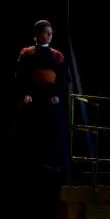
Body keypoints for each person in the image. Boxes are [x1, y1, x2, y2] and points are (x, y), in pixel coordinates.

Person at [14, 20, 69, 176]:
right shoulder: (26, 53)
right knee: (30, 130)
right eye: (46, 32)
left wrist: (57, 96)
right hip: (33, 97)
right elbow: (21, 76)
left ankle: (51, 164)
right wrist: (25, 94)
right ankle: (28, 164)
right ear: (37, 34)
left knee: (52, 130)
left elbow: (63, 79)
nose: (50, 35)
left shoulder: (57, 56)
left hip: (50, 98)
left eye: (51, 32)